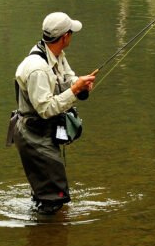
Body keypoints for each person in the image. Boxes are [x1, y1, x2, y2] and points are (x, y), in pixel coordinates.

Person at [12, 12, 96, 214]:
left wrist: (79, 84)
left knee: (47, 194)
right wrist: (75, 90)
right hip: (34, 136)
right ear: (65, 37)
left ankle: (43, 239)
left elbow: (67, 77)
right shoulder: (38, 69)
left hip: (42, 134)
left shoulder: (54, 54)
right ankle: (47, 236)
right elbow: (46, 109)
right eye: (71, 33)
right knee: (53, 198)